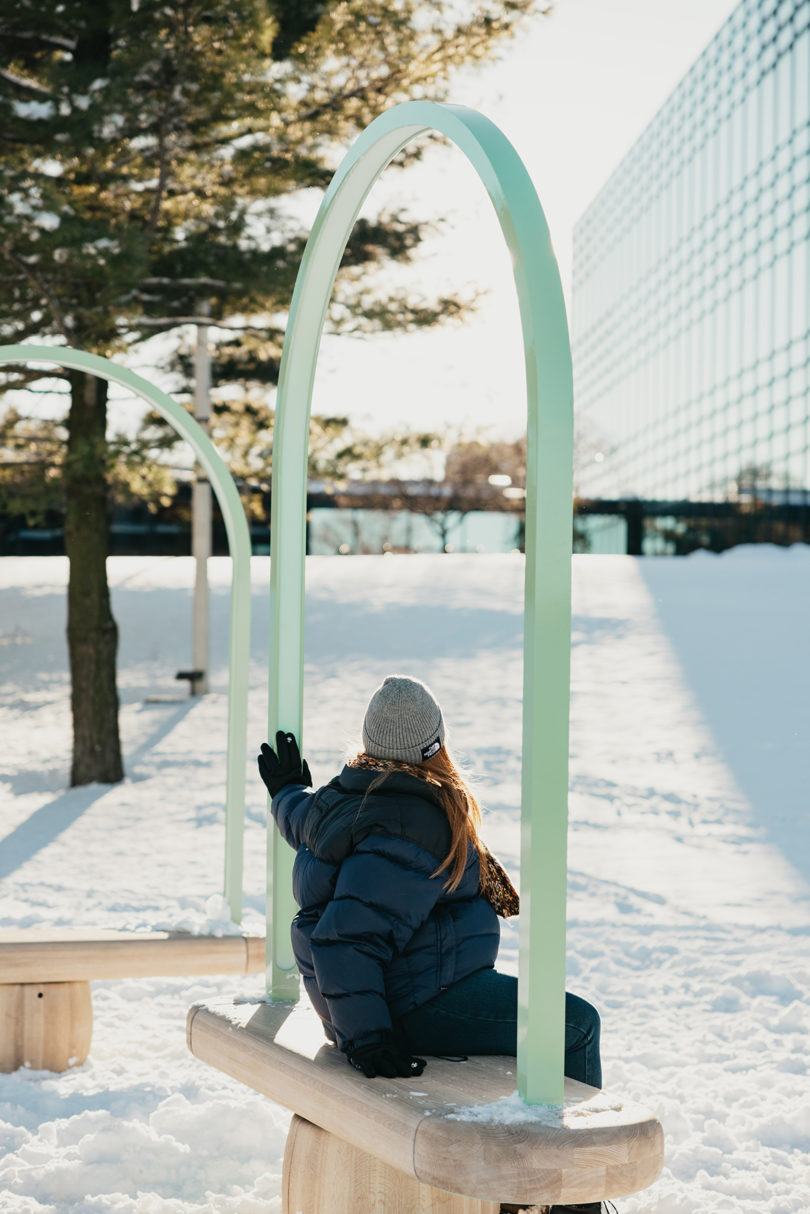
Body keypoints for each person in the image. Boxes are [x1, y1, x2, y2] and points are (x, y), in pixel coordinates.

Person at [258, 674, 607, 1214]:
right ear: (436, 744)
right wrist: (369, 1038)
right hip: (414, 1001)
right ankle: (566, 1203)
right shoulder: (415, 821)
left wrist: (285, 790)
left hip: (387, 994)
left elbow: (298, 817)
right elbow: (345, 941)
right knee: (574, 1026)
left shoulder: (344, 798)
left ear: (370, 745)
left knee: (551, 1026)